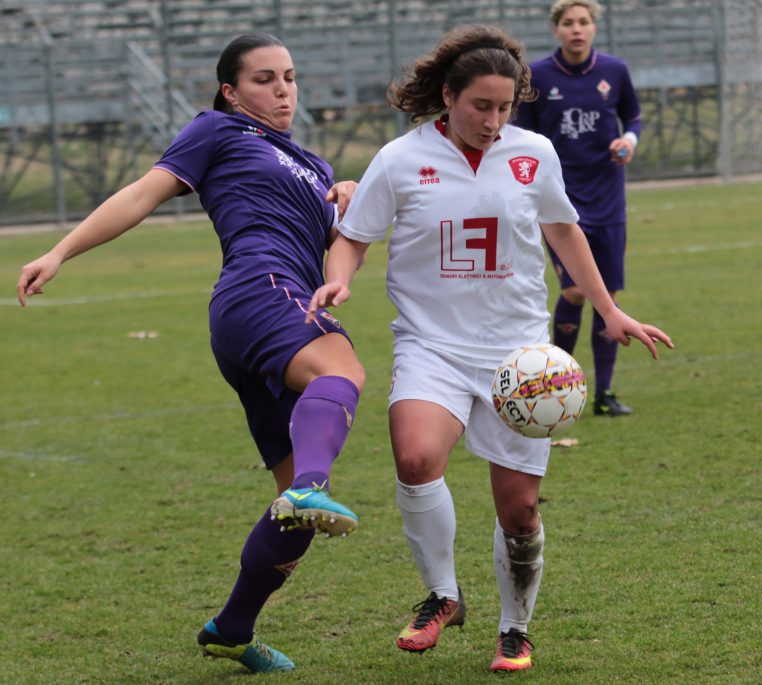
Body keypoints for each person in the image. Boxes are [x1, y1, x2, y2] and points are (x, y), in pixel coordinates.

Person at [302, 24, 673, 673]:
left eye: (504, 107)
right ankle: (442, 594)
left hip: (520, 355)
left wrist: (609, 311)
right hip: (431, 344)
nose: (494, 121)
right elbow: (354, 234)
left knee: (520, 507)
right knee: (416, 456)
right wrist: (339, 276)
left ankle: (514, 626)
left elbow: (564, 230)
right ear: (448, 96)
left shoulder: (533, 152)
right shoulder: (400, 158)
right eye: (481, 106)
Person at [16, 33, 366, 674]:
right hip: (260, 291)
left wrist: (343, 200)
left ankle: (231, 628)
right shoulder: (217, 130)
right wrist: (59, 251)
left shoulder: (311, 163)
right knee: (342, 366)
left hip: (267, 310)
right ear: (232, 90)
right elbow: (140, 195)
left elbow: (343, 244)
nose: (283, 89)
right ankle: (313, 488)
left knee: (292, 516)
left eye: (289, 76)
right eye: (265, 78)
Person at [514, 0, 643, 417]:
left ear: (593, 28)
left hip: (608, 196)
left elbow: (634, 118)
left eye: (583, 22)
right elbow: (521, 132)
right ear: (556, 30)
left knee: (609, 294)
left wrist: (629, 142)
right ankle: (556, 385)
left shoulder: (615, 71)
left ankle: (604, 393)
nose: (576, 29)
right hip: (559, 198)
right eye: (568, 23)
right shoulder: (538, 76)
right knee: (574, 290)